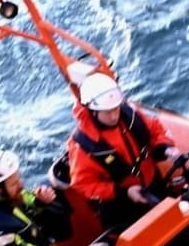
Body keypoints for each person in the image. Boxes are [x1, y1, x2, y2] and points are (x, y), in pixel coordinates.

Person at [66, 70, 178, 231]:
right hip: (122, 204)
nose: (113, 116)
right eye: (108, 112)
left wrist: (166, 148)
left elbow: (155, 130)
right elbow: (83, 184)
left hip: (153, 184)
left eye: (115, 109)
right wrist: (122, 192)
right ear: (92, 110)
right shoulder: (83, 146)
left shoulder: (130, 115)